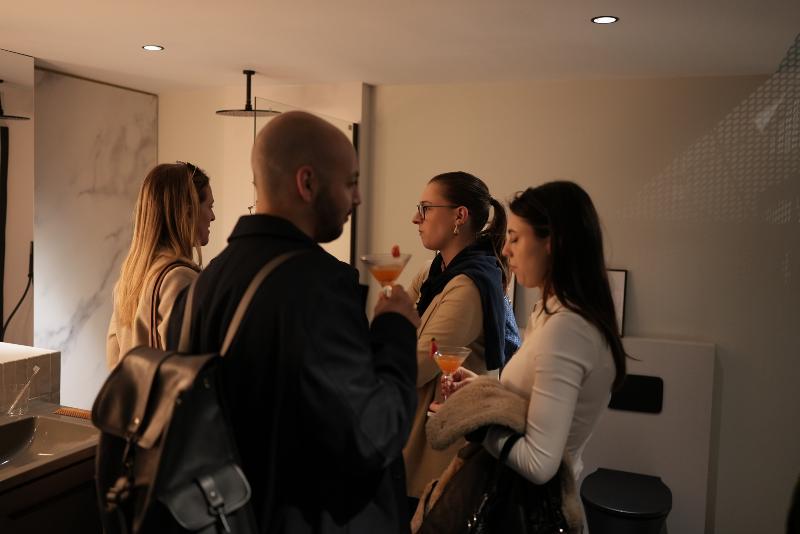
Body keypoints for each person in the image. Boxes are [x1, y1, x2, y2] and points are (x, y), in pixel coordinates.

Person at [166, 111, 420, 533]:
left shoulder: (205, 284)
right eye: (351, 182)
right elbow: (373, 436)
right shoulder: (317, 287)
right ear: (307, 183)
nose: (357, 198)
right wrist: (394, 330)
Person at [440, 180, 626, 487]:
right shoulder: (549, 313)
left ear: (551, 242)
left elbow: (538, 464)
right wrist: (481, 389)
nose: (505, 249)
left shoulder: (568, 329)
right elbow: (533, 403)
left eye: (515, 238)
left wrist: (474, 422)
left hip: (531, 503)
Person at [402, 171, 520, 509]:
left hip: (436, 457)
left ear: (459, 216)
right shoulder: (434, 272)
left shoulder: (467, 286)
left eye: (425, 208)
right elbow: (391, 326)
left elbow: (413, 365)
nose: (416, 219)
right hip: (415, 437)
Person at [106, 161, 215, 369]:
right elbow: (189, 366)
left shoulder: (130, 280)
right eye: (209, 206)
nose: (212, 217)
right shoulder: (179, 279)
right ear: (188, 212)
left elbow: (114, 360)